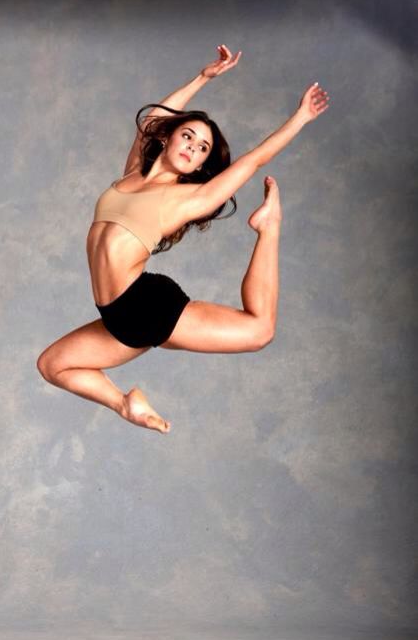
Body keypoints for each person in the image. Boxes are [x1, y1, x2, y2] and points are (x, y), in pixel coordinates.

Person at [37, 44, 329, 434]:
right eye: (188, 136)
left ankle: (269, 226)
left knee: (260, 330)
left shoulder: (188, 199)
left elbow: (252, 160)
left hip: (147, 308)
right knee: (52, 365)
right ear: (169, 138)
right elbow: (153, 118)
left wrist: (301, 118)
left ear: (202, 163)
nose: (192, 146)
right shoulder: (132, 174)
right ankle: (125, 404)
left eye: (202, 148)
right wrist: (203, 78)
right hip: (118, 318)